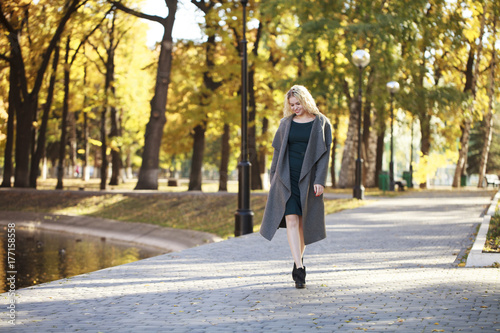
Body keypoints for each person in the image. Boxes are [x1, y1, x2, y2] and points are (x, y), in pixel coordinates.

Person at [260, 85, 332, 289]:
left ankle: (297, 259)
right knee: (291, 218)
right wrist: (273, 177)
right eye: (291, 105)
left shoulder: (321, 123)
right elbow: (277, 152)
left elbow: (325, 155)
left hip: (308, 178)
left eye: (298, 103)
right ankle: (299, 268)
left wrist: (320, 180)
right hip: (286, 176)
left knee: (302, 223)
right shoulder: (285, 123)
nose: (295, 108)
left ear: (306, 101)